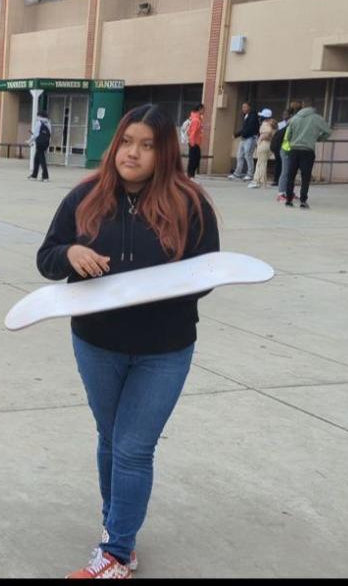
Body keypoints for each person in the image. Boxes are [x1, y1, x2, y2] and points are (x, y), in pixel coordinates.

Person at [36, 104, 219, 579]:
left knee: (134, 446)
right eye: (127, 142)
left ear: (165, 152)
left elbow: (208, 273)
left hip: (165, 348)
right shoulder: (84, 196)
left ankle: (117, 552)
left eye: (147, 145)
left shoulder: (190, 202)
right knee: (110, 438)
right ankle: (116, 529)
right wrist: (71, 252)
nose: (132, 153)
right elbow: (47, 258)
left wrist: (155, 288)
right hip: (97, 342)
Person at [284, 98, 331, 209]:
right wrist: (319, 138)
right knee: (305, 177)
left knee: (290, 176)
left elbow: (288, 135)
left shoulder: (294, 119)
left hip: (294, 150)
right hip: (307, 151)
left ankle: (289, 199)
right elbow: (328, 131)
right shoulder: (317, 118)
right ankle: (303, 200)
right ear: (313, 107)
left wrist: (292, 141)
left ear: (303, 105)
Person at [229, 102, 258, 181]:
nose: (243, 109)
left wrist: (237, 134)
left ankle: (250, 174)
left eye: (245, 107)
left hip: (250, 138)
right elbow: (245, 128)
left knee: (248, 156)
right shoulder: (246, 116)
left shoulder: (253, 116)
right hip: (244, 138)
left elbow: (249, 128)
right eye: (242, 107)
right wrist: (239, 135)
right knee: (239, 156)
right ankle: (237, 173)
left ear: (249, 107)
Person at [249, 108, 276, 189]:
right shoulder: (273, 124)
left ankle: (258, 181)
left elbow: (267, 134)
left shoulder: (265, 124)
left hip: (264, 144)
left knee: (261, 163)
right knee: (262, 163)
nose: (260, 117)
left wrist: (260, 139)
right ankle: (260, 181)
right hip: (269, 145)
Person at [270, 108, 290, 194]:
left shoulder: (291, 124)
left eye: (286, 114)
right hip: (279, 146)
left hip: (286, 146)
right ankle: (276, 179)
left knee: (285, 166)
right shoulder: (280, 124)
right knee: (278, 163)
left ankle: (283, 182)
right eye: (283, 114)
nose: (284, 116)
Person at [28, 109, 52, 181]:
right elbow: (50, 133)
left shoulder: (39, 122)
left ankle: (45, 176)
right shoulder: (48, 123)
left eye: (38, 115)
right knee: (37, 158)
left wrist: (29, 141)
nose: (37, 116)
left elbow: (35, 134)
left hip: (39, 143)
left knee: (42, 160)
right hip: (45, 143)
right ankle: (34, 175)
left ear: (40, 115)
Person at [186, 104, 204, 179]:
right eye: (203, 109)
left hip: (195, 142)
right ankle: (190, 175)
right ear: (199, 109)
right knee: (194, 159)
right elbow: (192, 132)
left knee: (195, 158)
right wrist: (192, 143)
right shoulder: (196, 120)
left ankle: (191, 175)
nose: (204, 111)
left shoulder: (197, 118)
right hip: (194, 143)